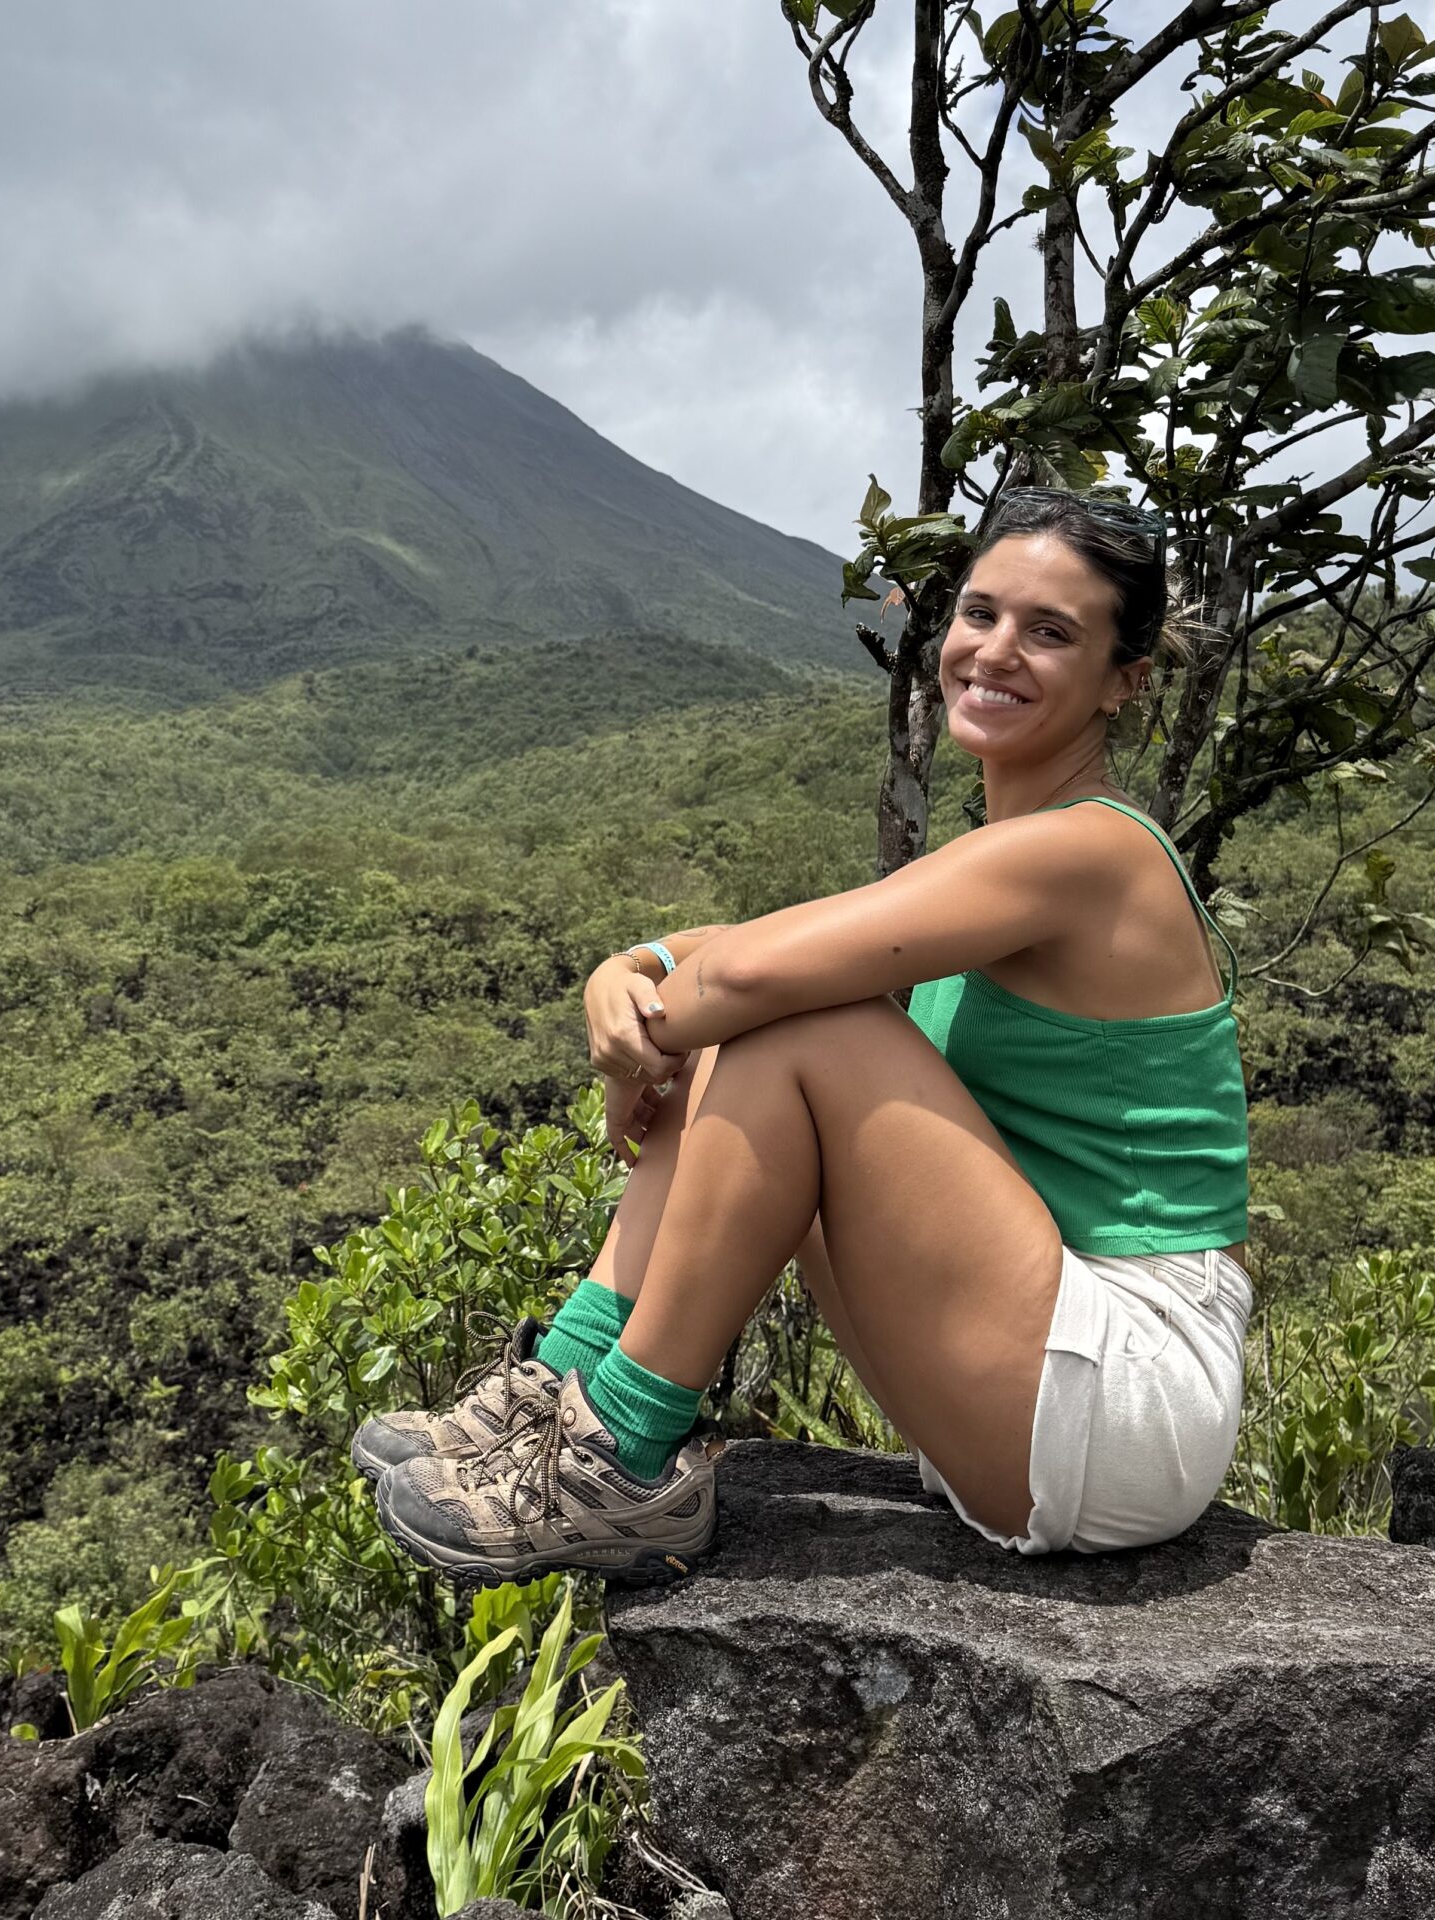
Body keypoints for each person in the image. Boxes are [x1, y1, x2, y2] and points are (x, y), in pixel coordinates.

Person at [357, 485, 1252, 1584]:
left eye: (1051, 632)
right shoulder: (996, 861)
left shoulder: (1091, 852)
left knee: (787, 1026)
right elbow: (742, 948)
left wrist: (633, 1042)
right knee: (767, 1012)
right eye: (980, 614)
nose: (996, 651)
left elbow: (750, 973)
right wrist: (631, 968)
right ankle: (567, 1387)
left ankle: (619, 1457)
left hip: (1123, 1387)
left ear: (1125, 681)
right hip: (1036, 1368)